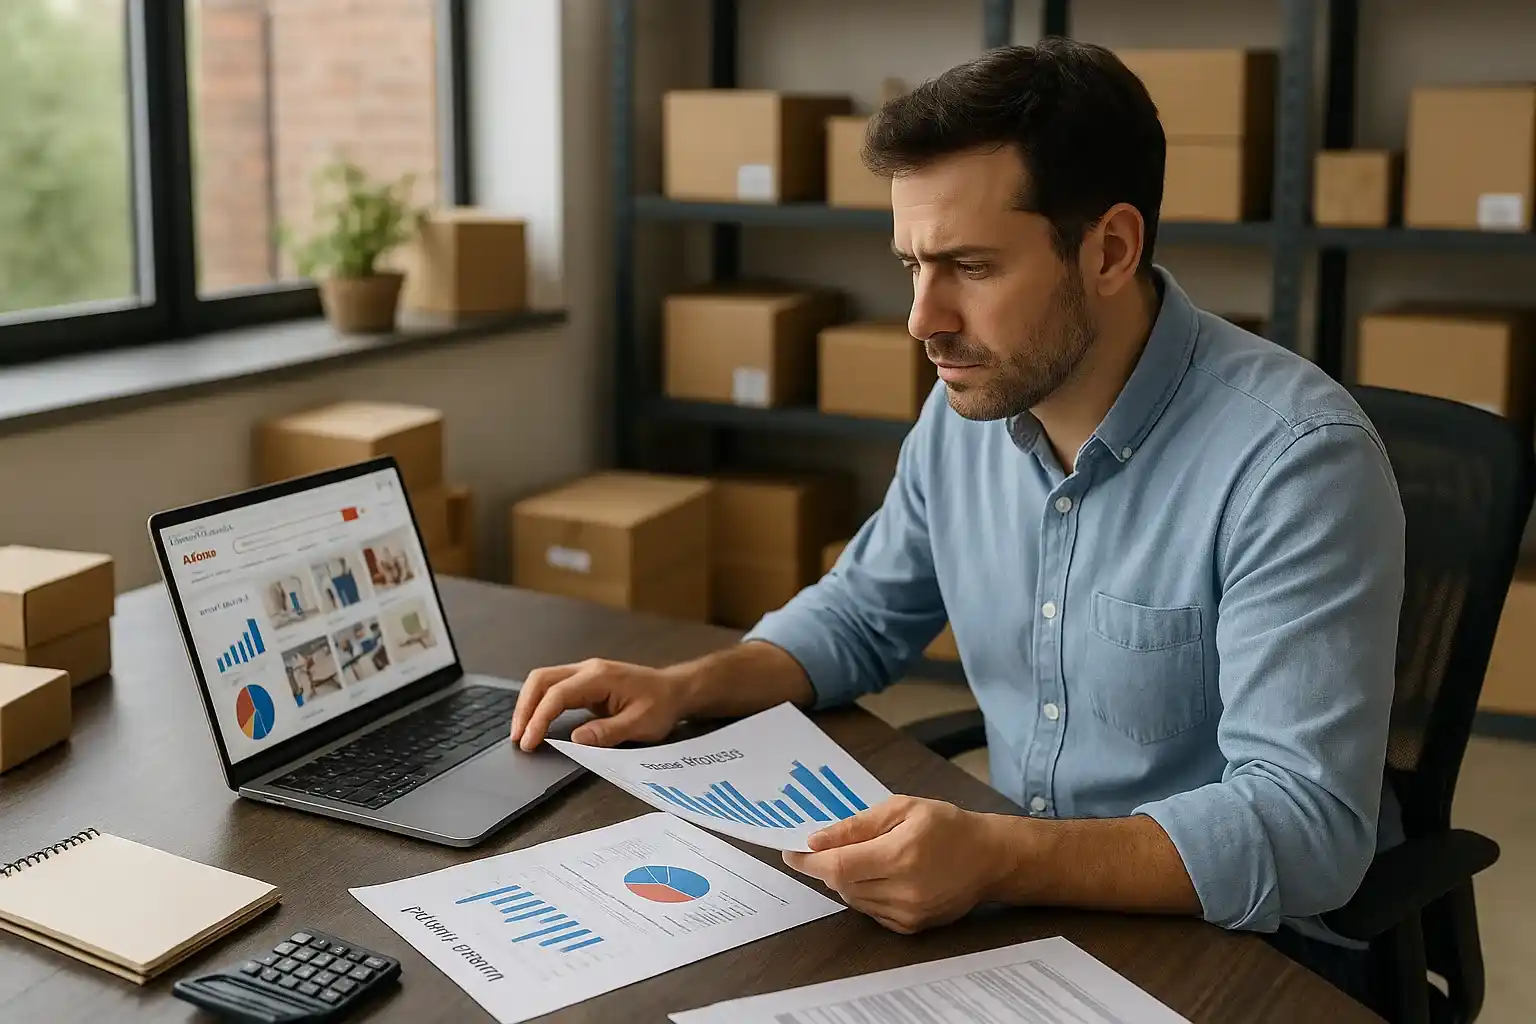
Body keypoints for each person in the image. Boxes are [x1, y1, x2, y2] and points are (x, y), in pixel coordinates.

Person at [511, 38, 1404, 1009]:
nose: (922, 319)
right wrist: (686, 685)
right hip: (1017, 920)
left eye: (969, 266)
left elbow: (1307, 828)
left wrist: (1001, 855)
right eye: (912, 265)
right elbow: (861, 614)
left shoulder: (1293, 461)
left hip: (1231, 947)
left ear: (1110, 250)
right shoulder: (967, 408)